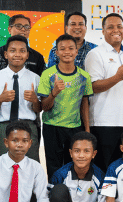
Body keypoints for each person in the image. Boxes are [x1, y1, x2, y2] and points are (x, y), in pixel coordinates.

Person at [84, 13, 123, 171]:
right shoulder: (95, 54)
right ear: (103, 31)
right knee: (105, 169)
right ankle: (103, 197)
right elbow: (92, 87)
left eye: (119, 26)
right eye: (111, 27)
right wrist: (117, 77)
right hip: (104, 124)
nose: (116, 30)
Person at [38, 34, 93, 179]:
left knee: (74, 164)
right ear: (56, 52)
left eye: (70, 48)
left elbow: (84, 103)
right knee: (53, 165)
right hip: (52, 126)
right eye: (62, 49)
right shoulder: (47, 74)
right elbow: (44, 106)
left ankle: (72, 196)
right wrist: (54, 93)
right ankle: (54, 194)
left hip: (75, 127)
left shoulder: (84, 76)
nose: (67, 52)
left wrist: (87, 130)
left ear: (76, 51)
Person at [0, 35, 41, 161]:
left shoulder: (35, 78)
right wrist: (0, 99)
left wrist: (35, 100)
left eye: (22, 51)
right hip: (3, 127)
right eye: (13, 50)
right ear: (6, 54)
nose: (17, 54)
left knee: (30, 165)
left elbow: (39, 109)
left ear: (27, 55)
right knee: (1, 165)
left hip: (28, 126)